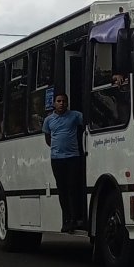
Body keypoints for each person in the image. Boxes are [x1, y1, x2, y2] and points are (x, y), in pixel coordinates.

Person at [42, 93, 84, 233]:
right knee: (62, 190)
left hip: (73, 157)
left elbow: (85, 126)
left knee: (72, 187)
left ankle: (74, 218)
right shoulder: (48, 120)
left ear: (67, 103)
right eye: (58, 101)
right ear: (54, 103)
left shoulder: (75, 116)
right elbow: (48, 138)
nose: (61, 103)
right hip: (57, 159)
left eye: (64, 101)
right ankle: (66, 219)